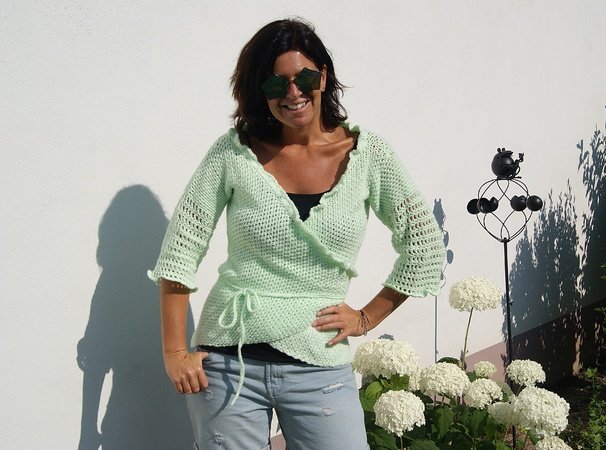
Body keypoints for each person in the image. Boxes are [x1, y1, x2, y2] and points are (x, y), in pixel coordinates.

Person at [148, 18, 445, 450]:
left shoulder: (368, 156)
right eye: (276, 84)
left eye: (303, 78)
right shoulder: (233, 153)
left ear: (322, 77)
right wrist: (174, 353)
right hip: (229, 362)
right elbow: (180, 251)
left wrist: (366, 318)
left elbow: (424, 247)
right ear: (260, 90)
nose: (292, 93)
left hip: (319, 360)